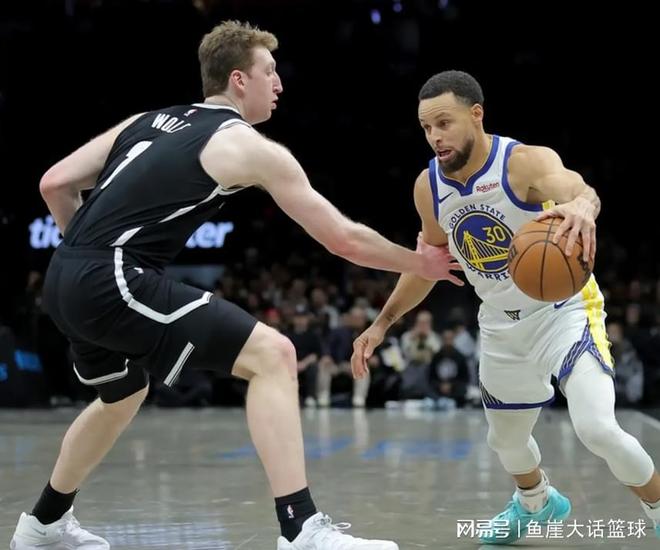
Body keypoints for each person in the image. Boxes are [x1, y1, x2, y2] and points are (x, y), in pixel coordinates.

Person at [9, 21, 463, 550]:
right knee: (274, 354)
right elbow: (342, 239)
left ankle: (43, 524)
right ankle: (300, 528)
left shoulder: (146, 120)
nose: (279, 83)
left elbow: (54, 183)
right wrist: (420, 262)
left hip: (62, 278)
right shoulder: (244, 145)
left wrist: (82, 262)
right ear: (238, 80)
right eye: (269, 71)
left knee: (122, 394)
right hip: (110, 278)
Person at [351, 70, 660, 543]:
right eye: (426, 127)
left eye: (444, 123)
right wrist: (382, 323)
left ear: (476, 115)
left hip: (563, 313)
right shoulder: (428, 187)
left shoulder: (523, 163)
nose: (434, 136)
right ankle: (536, 503)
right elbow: (428, 265)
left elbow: (578, 188)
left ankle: (657, 508)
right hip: (499, 323)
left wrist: (583, 205)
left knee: (597, 428)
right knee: (506, 442)